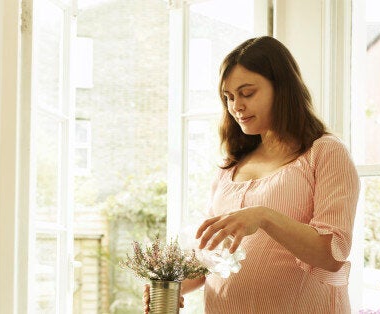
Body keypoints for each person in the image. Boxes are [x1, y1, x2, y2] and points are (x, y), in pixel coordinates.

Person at [144, 36, 360, 313]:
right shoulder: (230, 167)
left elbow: (332, 253)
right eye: (229, 97)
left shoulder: (324, 152)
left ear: (282, 88)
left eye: (247, 93)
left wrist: (263, 216)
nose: (236, 106)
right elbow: (208, 258)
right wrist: (169, 284)